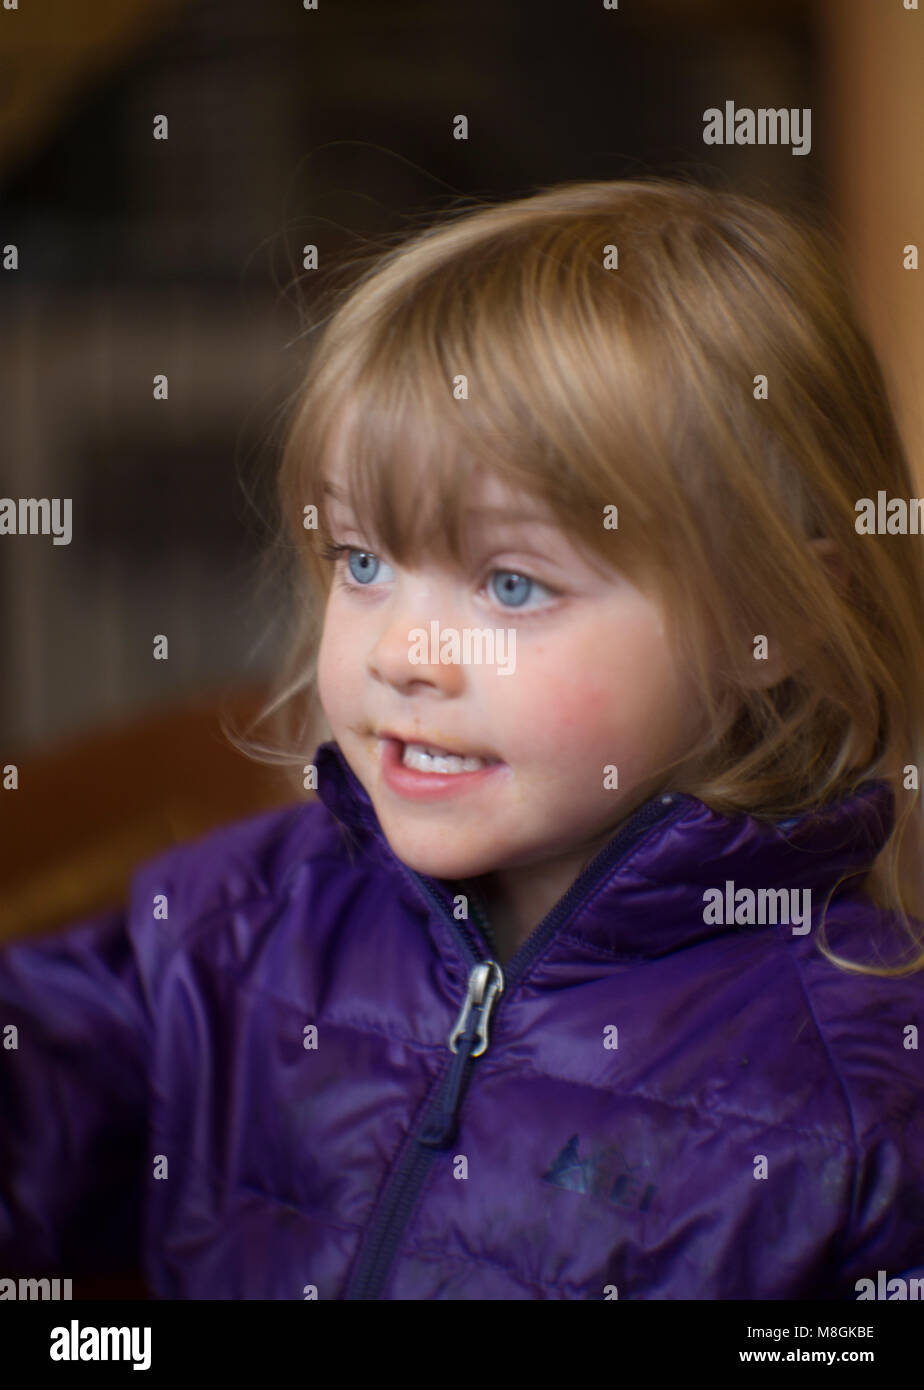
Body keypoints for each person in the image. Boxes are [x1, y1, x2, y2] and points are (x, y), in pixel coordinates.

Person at [2, 176, 924, 1301]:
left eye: (512, 582)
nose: (405, 654)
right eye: (363, 561)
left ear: (763, 618)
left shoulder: (861, 1099)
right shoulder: (227, 931)